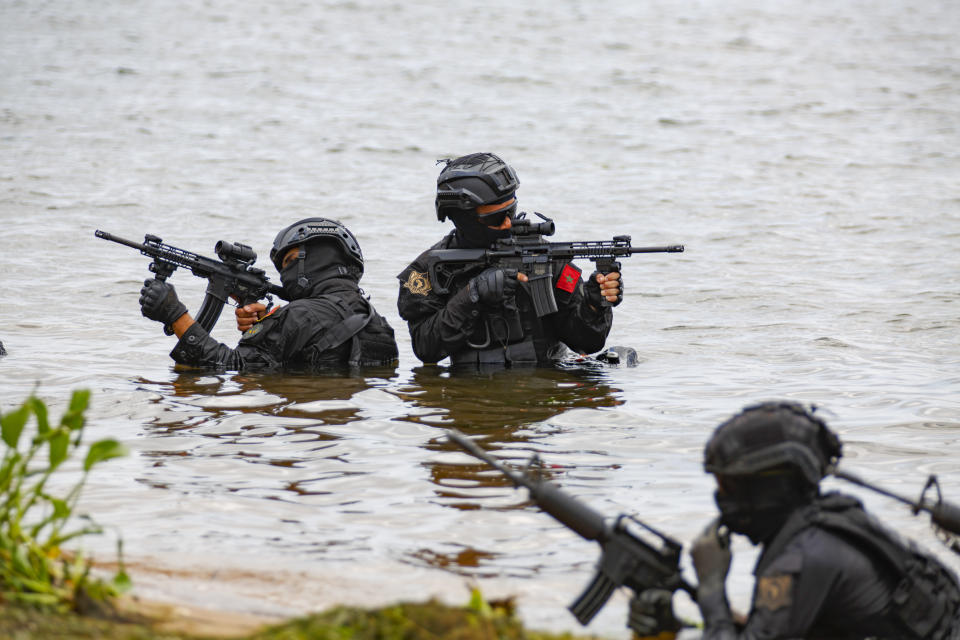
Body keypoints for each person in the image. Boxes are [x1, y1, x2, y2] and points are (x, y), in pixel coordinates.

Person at [629, 401, 960, 639]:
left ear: (766, 487)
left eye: (728, 486)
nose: (721, 500)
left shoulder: (800, 559)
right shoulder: (831, 523)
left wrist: (712, 590)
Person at [397, 152, 622, 367]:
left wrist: (594, 306)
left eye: (511, 211)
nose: (507, 224)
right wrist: (473, 296)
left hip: (545, 389)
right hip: (471, 396)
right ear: (463, 218)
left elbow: (587, 343)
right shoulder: (428, 270)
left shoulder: (543, 258)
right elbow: (426, 349)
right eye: (496, 217)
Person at [138, 217, 398, 371]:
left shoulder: (298, 316)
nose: (284, 275)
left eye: (289, 262)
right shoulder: (379, 323)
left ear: (315, 259)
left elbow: (227, 367)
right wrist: (266, 329)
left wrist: (175, 315)